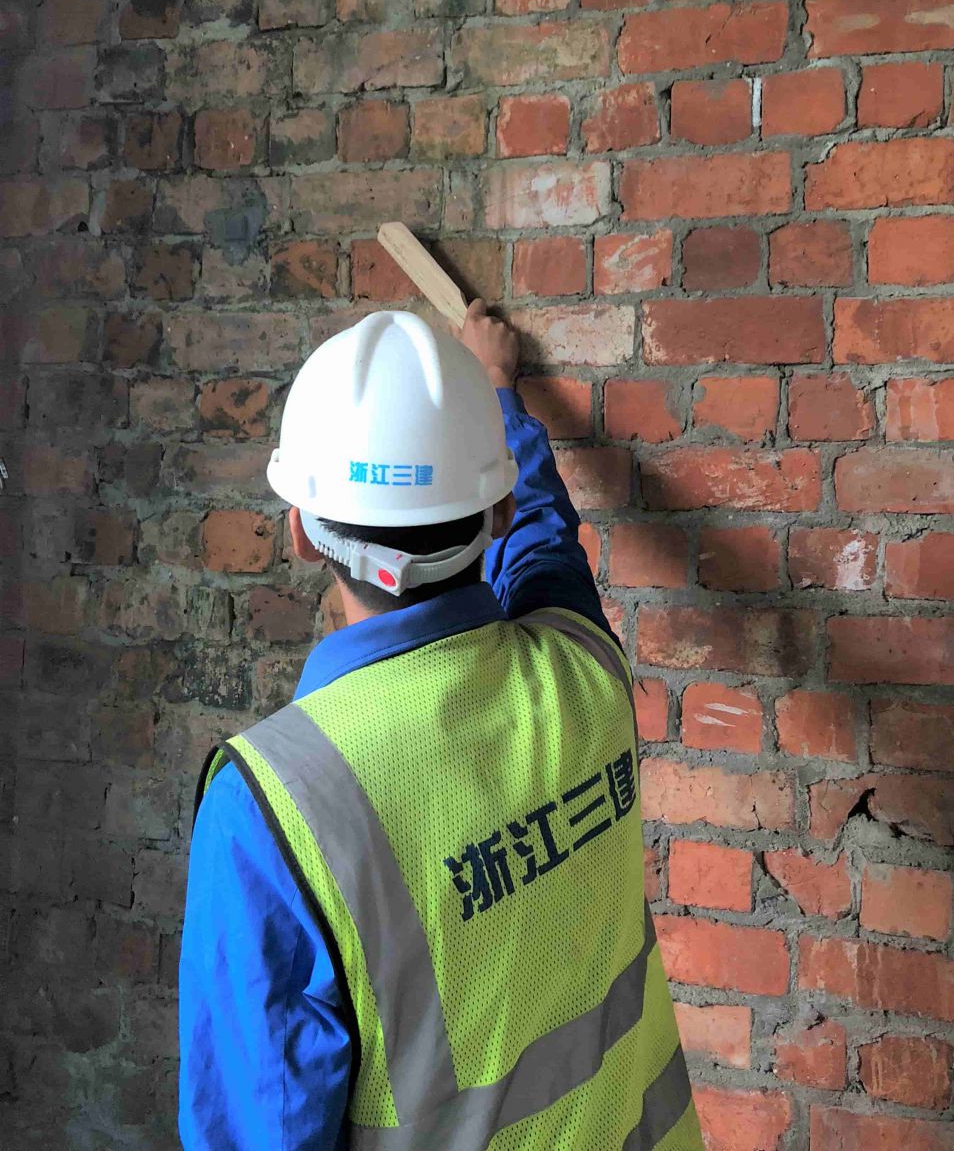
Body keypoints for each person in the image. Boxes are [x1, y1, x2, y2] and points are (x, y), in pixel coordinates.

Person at [179, 300, 703, 1151]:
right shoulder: (583, 671)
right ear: (495, 511)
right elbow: (543, 542)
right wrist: (496, 388)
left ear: (301, 533)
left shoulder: (272, 812)